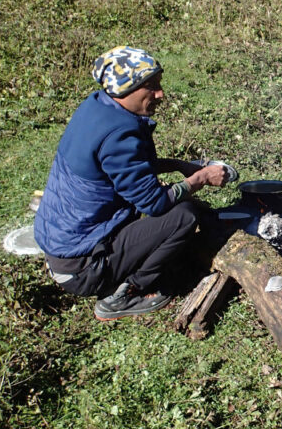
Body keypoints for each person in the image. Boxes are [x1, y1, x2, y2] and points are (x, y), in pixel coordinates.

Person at [34, 46, 234, 321]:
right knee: (183, 215)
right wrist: (200, 177)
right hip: (82, 267)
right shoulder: (119, 134)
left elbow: (126, 167)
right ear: (124, 90)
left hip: (64, 251)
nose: (160, 94)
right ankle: (124, 294)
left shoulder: (98, 108)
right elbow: (155, 203)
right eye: (150, 87)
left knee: (181, 205)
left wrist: (179, 166)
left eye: (159, 84)